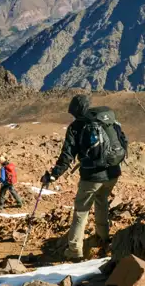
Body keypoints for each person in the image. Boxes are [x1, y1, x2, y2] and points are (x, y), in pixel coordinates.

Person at [42, 94, 128, 260]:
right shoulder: (106, 120)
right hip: (112, 173)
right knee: (102, 202)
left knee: (81, 211)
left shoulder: (76, 126)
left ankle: (74, 250)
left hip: (92, 177)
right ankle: (103, 238)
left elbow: (67, 156)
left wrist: (53, 176)